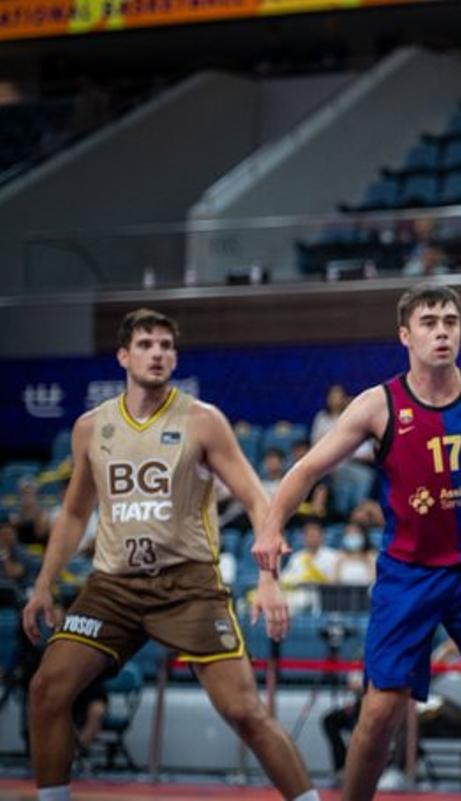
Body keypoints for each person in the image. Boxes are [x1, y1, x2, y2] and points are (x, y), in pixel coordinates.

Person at [253, 284, 461, 801]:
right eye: (429, 322)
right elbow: (307, 469)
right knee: (379, 715)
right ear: (405, 334)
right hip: (409, 576)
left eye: (450, 320)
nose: (442, 330)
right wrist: (270, 528)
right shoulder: (379, 405)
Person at [20, 308, 316, 801]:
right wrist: (44, 585)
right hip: (112, 587)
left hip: (187, 587)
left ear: (175, 357)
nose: (157, 353)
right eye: (145, 344)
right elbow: (74, 514)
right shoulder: (91, 428)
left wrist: (268, 578)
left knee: (244, 710)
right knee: (47, 689)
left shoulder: (203, 421)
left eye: (165, 346)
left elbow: (256, 497)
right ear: (123, 355)